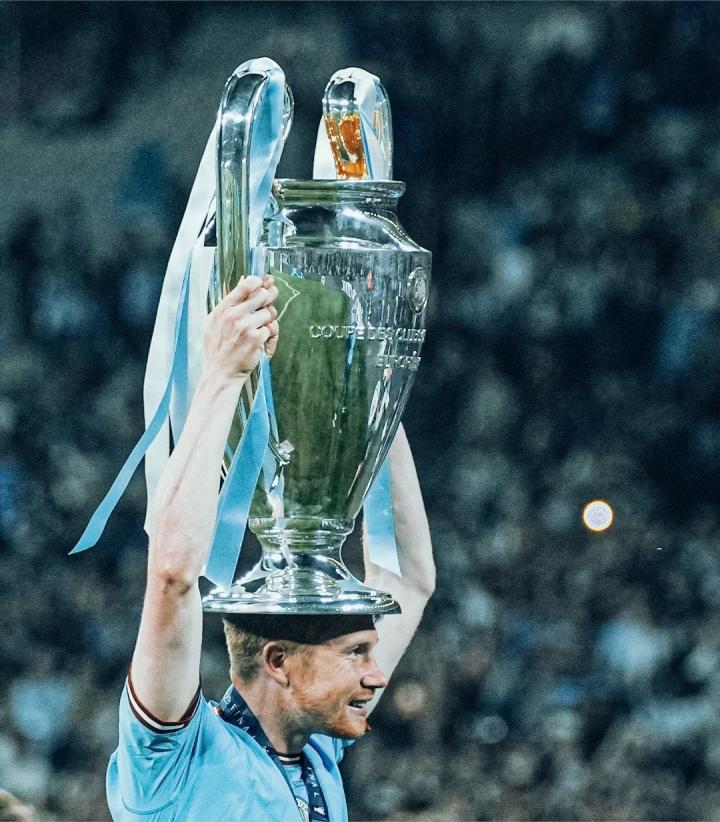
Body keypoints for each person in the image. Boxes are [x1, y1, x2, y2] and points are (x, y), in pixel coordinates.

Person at [106, 274, 435, 821]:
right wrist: (223, 375)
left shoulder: (314, 751)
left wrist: (373, 393)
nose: (376, 676)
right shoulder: (174, 761)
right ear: (279, 661)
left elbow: (407, 580)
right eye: (355, 652)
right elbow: (172, 577)